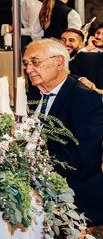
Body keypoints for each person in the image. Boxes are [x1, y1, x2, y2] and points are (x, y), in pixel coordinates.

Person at [23, 39, 103, 225]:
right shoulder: (32, 95)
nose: (28, 70)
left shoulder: (85, 100)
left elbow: (81, 156)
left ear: (59, 61)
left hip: (73, 187)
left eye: (35, 62)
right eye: (26, 64)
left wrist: (32, 165)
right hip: (34, 179)